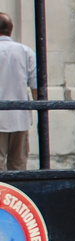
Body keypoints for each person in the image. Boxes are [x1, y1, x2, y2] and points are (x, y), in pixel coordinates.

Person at [0, 13, 37, 172]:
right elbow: (36, 87)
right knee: (18, 166)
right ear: (11, 30)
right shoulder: (25, 51)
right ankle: (17, 196)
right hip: (20, 117)